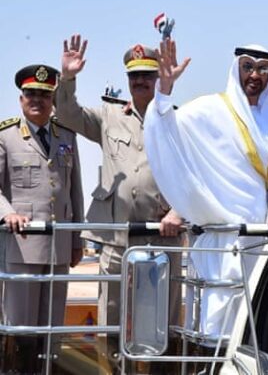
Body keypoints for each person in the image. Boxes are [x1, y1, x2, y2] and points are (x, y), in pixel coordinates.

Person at [144, 40, 268, 346]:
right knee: (215, 328)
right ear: (236, 68)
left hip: (262, 240)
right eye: (248, 67)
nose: (255, 75)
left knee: (258, 325)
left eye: (263, 69)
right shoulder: (209, 110)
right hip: (220, 238)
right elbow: (165, 127)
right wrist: (164, 90)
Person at [54, 34, 184, 371]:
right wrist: (67, 77)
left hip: (162, 238)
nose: (140, 81)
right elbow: (66, 113)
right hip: (116, 240)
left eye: (147, 75)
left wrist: (179, 211)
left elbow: (194, 175)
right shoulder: (109, 116)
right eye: (134, 75)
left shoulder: (176, 120)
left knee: (162, 325)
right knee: (111, 321)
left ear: (158, 78)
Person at [0, 64, 83, 373]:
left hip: (59, 248)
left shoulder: (67, 136)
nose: (37, 100)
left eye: (44, 95)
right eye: (31, 94)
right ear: (21, 99)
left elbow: (74, 191)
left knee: (52, 327)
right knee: (21, 328)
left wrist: (77, 240)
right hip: (22, 246)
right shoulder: (6, 136)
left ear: (52, 100)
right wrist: (8, 213)